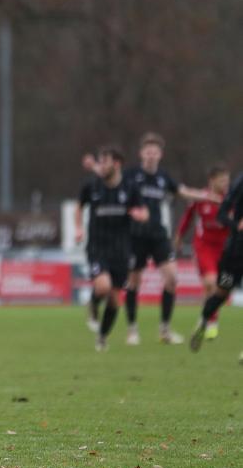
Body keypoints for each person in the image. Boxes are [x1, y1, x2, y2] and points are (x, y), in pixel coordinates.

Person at [83, 133, 217, 345]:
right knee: (133, 282)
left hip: (157, 234)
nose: (151, 155)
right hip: (134, 236)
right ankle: (132, 329)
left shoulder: (163, 177)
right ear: (141, 154)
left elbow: (182, 191)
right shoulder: (131, 174)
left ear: (160, 155)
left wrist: (207, 196)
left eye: (155, 152)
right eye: (148, 152)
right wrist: (94, 166)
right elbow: (108, 175)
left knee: (172, 278)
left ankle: (165, 329)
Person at [75, 146, 148, 351]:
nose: (101, 166)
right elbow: (79, 207)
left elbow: (144, 211)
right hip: (97, 247)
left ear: (117, 164)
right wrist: (78, 227)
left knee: (115, 300)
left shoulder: (130, 187)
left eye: (105, 162)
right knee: (103, 287)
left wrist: (141, 216)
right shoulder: (92, 186)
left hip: (121, 250)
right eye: (100, 161)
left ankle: (102, 336)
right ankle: (92, 305)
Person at [174, 165, 231, 340]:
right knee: (211, 281)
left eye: (227, 181)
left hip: (225, 248)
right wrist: (179, 236)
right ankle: (212, 323)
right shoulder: (201, 198)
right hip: (204, 246)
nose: (225, 184)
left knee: (219, 287)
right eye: (222, 181)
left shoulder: (231, 199)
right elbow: (188, 217)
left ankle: (204, 318)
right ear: (211, 181)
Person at [190, 171, 243, 352]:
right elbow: (222, 215)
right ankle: (204, 320)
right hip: (235, 254)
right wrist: (237, 226)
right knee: (222, 292)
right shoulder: (240, 183)